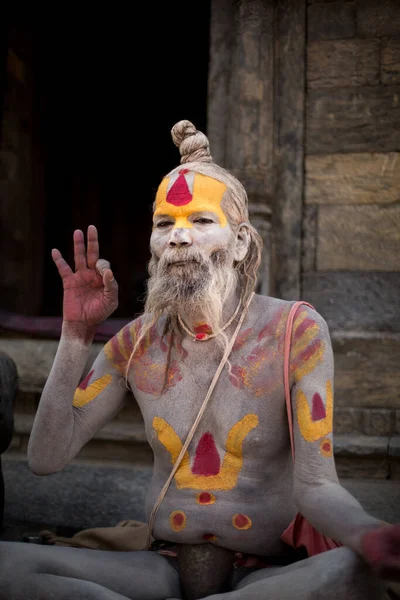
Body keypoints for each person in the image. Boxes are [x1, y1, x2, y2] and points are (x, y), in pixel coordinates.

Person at [0, 120, 398, 600]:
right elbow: (45, 458)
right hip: (161, 568)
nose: (179, 237)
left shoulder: (296, 332)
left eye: (202, 222)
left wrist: (369, 534)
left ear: (241, 242)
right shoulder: (134, 344)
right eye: (165, 224)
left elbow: (317, 488)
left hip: (264, 575)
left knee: (356, 573)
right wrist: (75, 332)